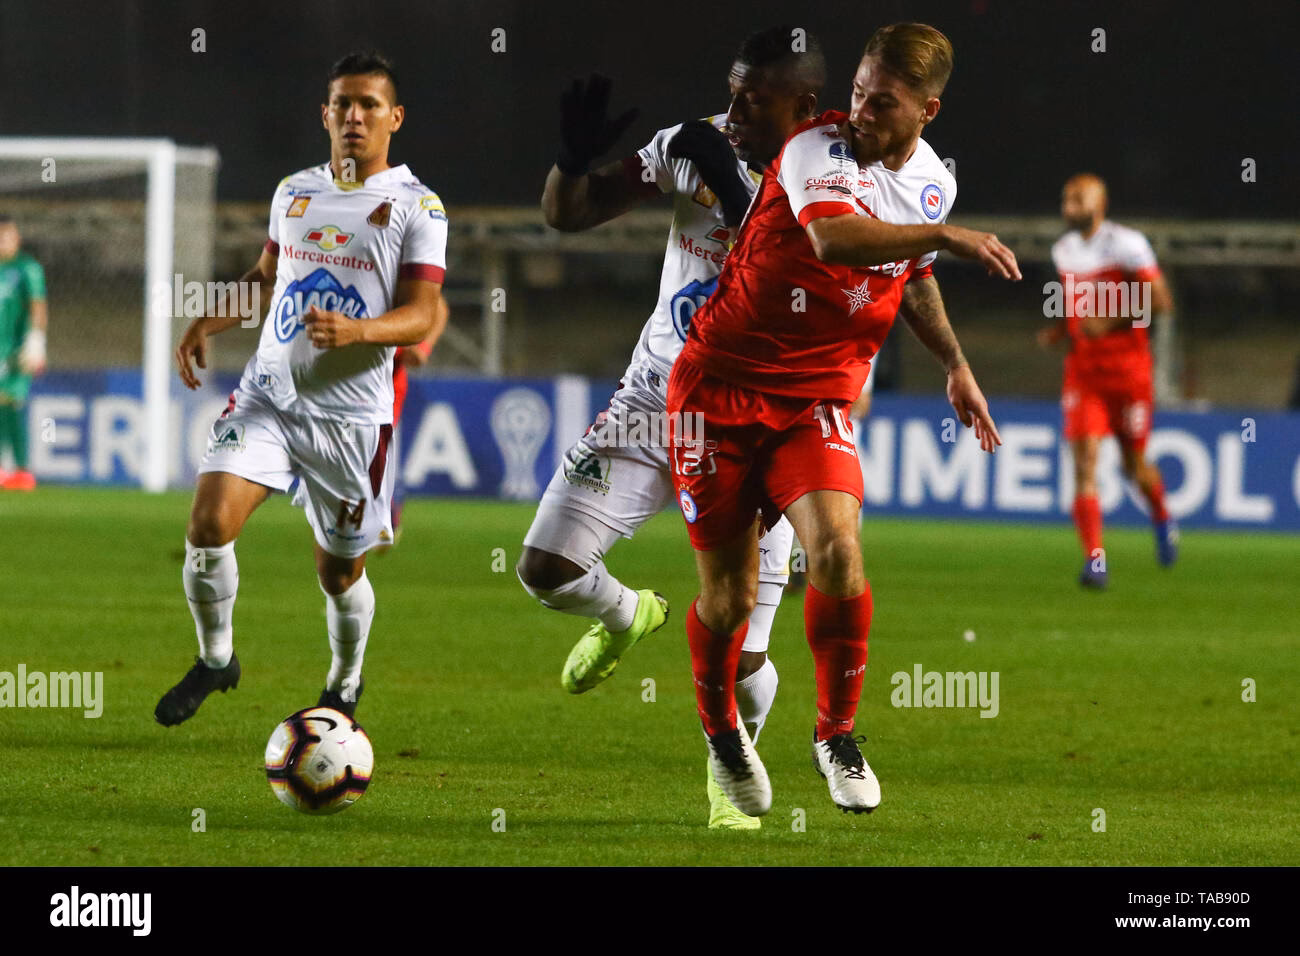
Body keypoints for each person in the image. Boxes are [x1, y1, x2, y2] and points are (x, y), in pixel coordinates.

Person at [666, 22, 1021, 817]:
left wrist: (955, 364)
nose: (861, 111)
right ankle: (722, 731)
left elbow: (912, 276)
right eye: (858, 91)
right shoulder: (814, 149)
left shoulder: (931, 184)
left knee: (838, 551)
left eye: (883, 102)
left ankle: (835, 734)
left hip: (814, 401)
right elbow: (833, 239)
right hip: (717, 391)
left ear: (927, 110)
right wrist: (947, 234)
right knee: (729, 599)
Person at [517, 26, 827, 829]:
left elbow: (788, 265)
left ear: (803, 108)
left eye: (754, 100)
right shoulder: (697, 143)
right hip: (655, 401)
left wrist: (729, 180)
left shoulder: (836, 176)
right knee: (545, 569)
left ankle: (729, 777)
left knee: (742, 653)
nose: (733, 111)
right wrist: (571, 163)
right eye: (731, 92)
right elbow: (568, 215)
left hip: (759, 420)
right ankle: (629, 613)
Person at [155, 51, 447, 726]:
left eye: (369, 105)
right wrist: (206, 320)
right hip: (269, 399)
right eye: (343, 103)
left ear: (395, 118)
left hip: (351, 422)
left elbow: (423, 313)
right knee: (207, 524)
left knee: (339, 573)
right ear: (325, 114)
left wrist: (360, 330)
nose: (354, 116)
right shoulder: (294, 192)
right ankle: (217, 658)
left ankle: (344, 682)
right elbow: (265, 278)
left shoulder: (418, 207)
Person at [1038, 173, 1177, 588]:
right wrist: (1060, 331)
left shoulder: (1127, 244)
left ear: (1100, 204)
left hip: (1129, 375)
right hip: (1084, 375)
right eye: (1065, 200)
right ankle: (1095, 560)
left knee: (1134, 467)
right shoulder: (1063, 250)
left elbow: (1161, 301)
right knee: (1084, 463)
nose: (1069, 207)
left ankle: (1162, 515)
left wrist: (1110, 321)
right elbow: (1077, 310)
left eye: (1077, 200)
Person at [0, 215, 48, 491]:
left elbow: (37, 305)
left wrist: (36, 342)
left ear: (17, 238)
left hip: (16, 350)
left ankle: (21, 469)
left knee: (11, 401)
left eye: (8, 236)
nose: (3, 242)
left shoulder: (26, 268)